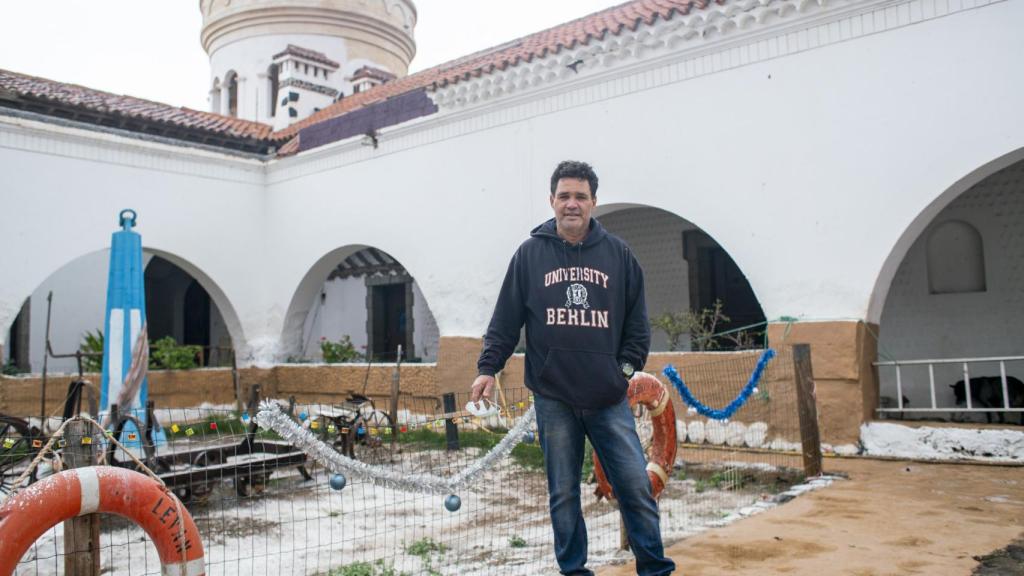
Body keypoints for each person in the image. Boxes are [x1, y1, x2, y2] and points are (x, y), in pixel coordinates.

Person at [470, 160, 675, 575]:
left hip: (607, 397)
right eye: (564, 196)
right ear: (551, 201)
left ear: (593, 202)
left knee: (635, 486)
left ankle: (654, 568)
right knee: (562, 494)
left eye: (580, 196)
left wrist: (624, 369)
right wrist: (488, 368)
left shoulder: (619, 255)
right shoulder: (529, 255)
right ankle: (573, 570)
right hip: (554, 398)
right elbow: (506, 320)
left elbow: (637, 324)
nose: (572, 204)